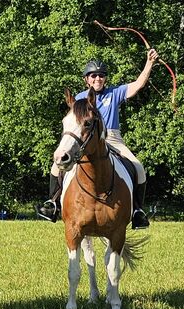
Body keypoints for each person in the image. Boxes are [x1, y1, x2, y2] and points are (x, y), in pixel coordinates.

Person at [36, 49, 159, 228]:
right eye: (93, 75)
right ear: (86, 79)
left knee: (138, 168)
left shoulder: (114, 93)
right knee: (57, 166)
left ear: (105, 79)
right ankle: (53, 203)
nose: (97, 79)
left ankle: (137, 211)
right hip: (85, 139)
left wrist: (149, 63)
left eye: (101, 75)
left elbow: (138, 84)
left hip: (112, 138)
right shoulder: (79, 98)